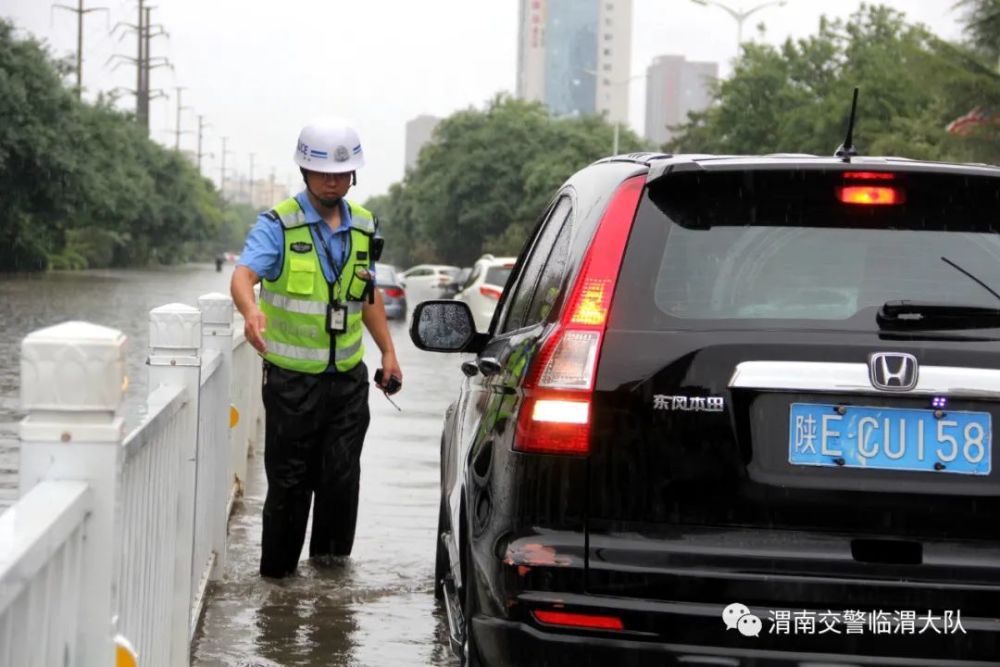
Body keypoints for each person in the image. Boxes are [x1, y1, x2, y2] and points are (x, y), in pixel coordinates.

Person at [230, 117, 402, 578]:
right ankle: (279, 587)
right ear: (305, 172)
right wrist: (250, 311)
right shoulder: (279, 225)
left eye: (341, 174)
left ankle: (330, 587)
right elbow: (243, 275)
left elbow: (366, 295)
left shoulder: (364, 226)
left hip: (347, 379)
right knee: (290, 484)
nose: (332, 182)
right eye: (323, 172)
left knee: (341, 482)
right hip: (291, 381)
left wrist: (387, 351)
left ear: (353, 175)